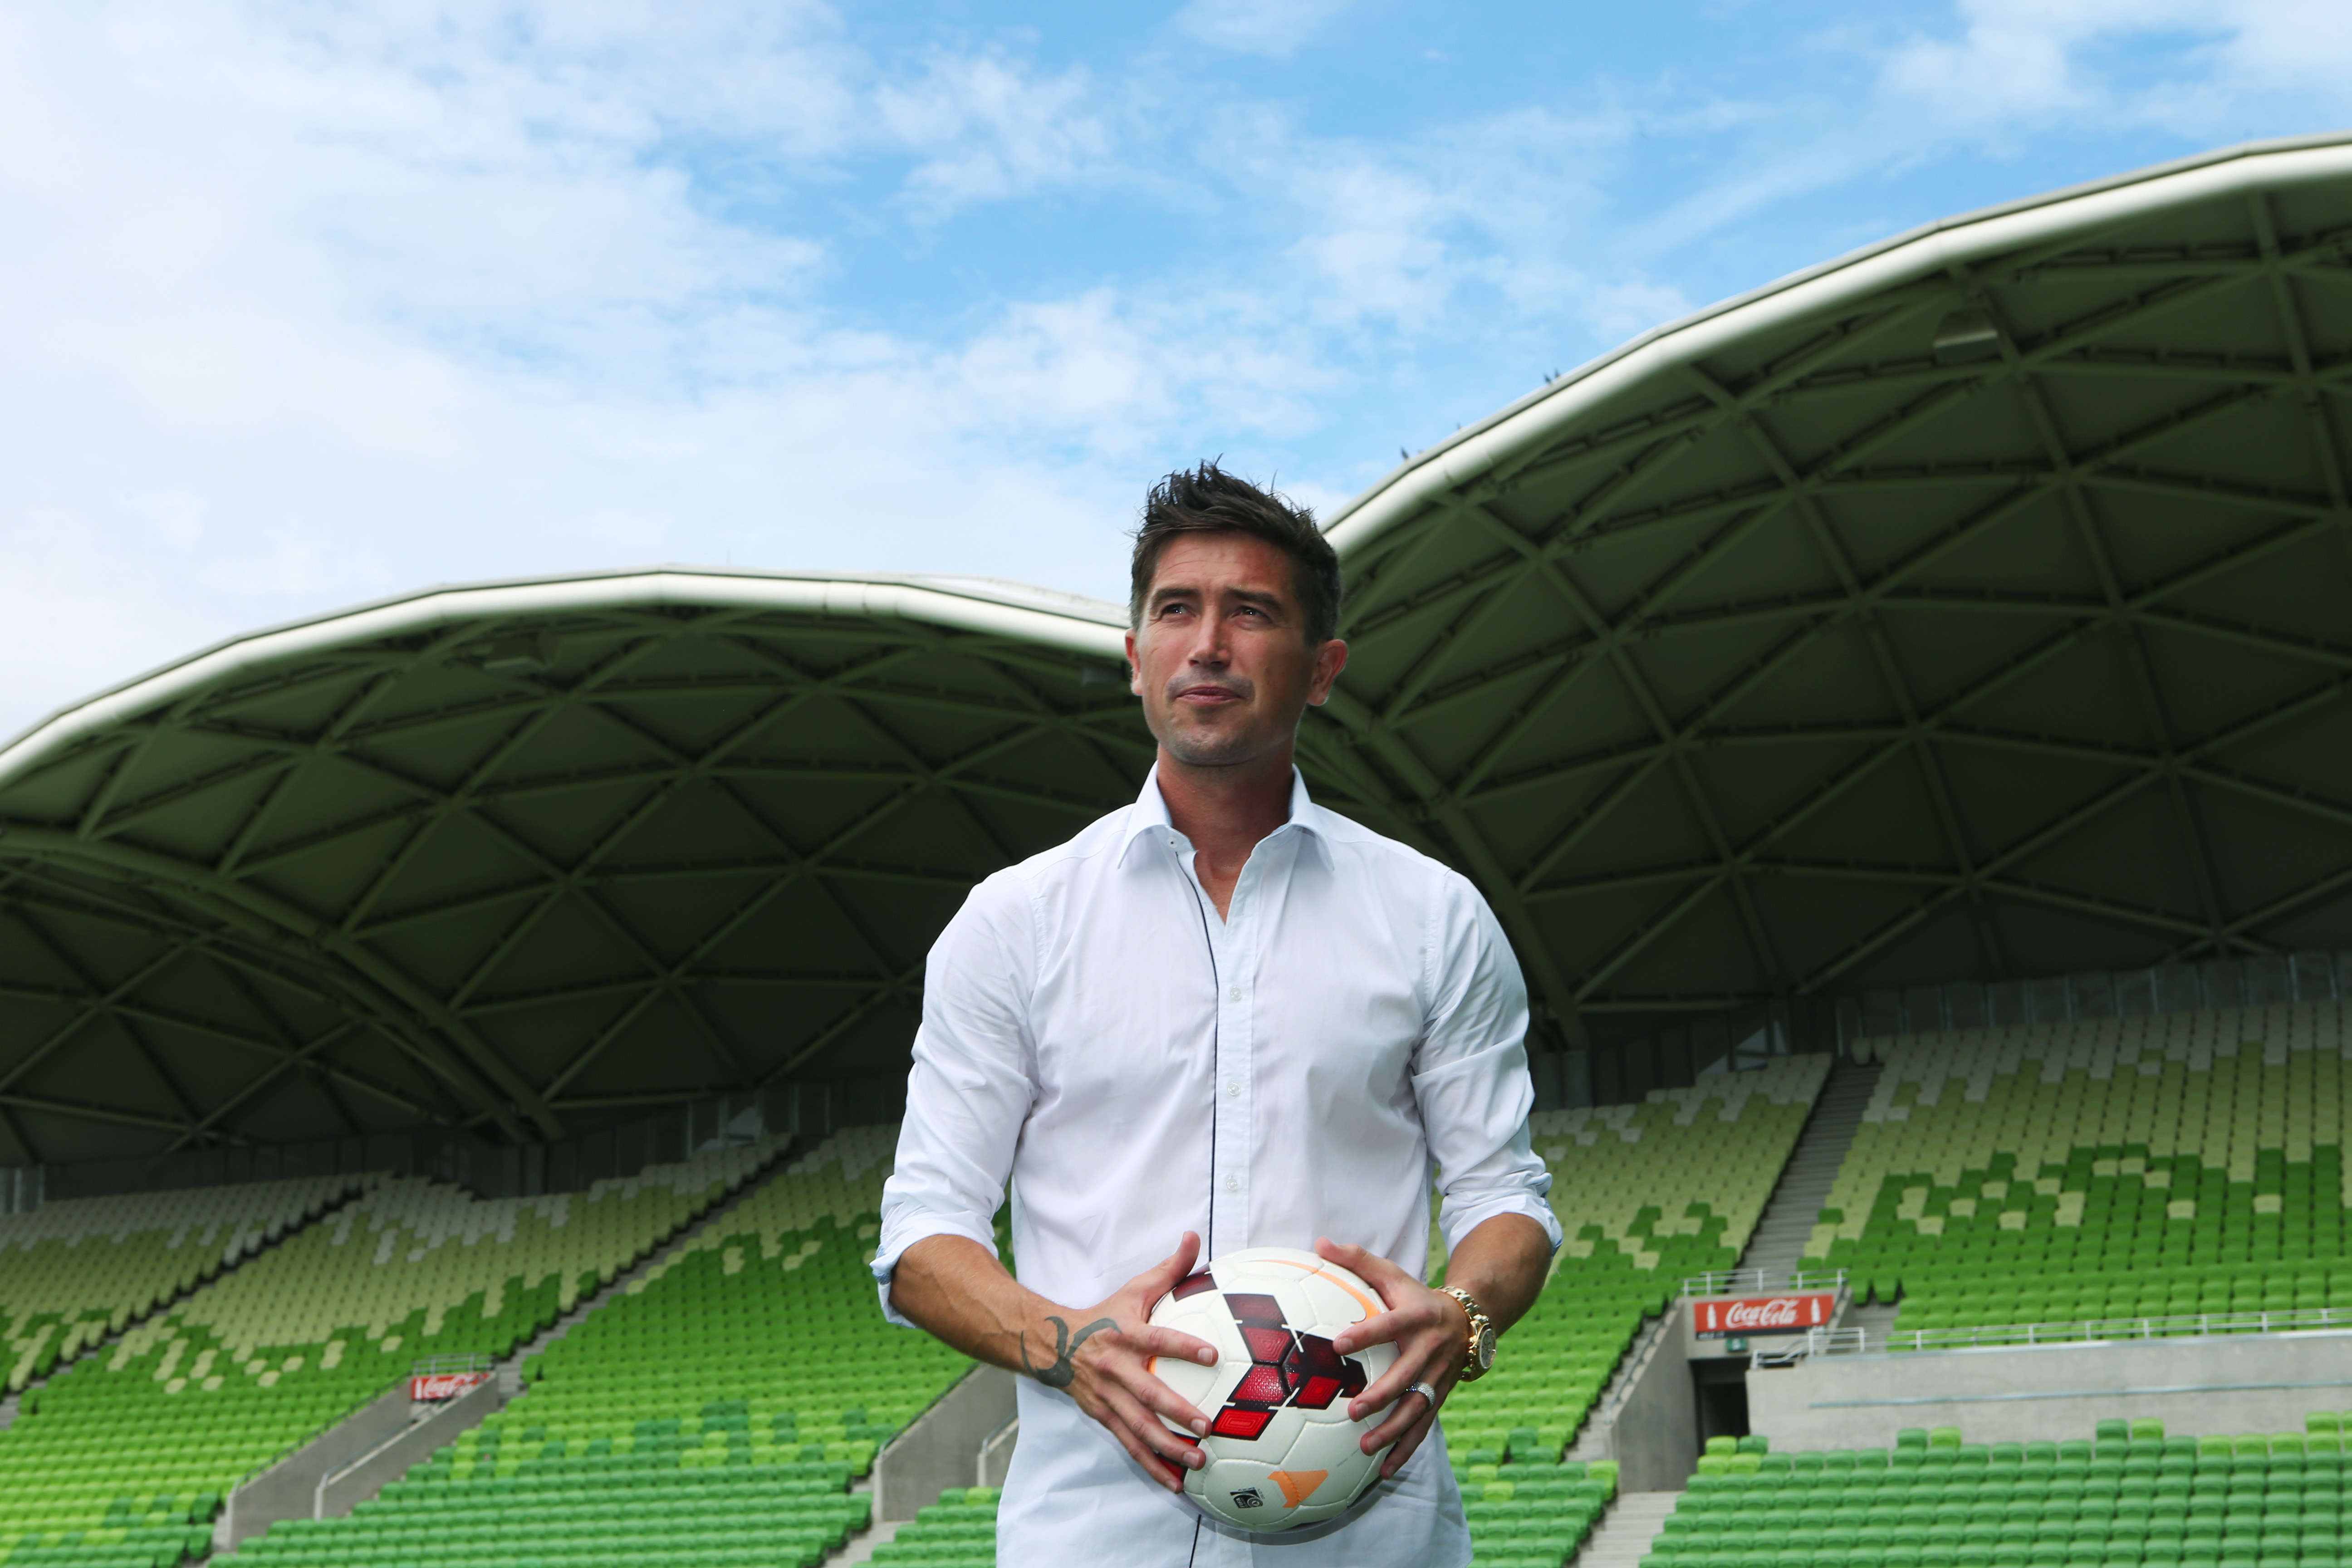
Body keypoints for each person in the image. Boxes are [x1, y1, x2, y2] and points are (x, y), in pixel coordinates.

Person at [872, 463, 1562, 1566]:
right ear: (1135, 657)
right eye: (1176, 609)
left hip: (1372, 1542)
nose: (1208, 643)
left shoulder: (1434, 916)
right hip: (1093, 1538)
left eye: (1252, 612)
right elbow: (920, 1238)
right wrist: (1068, 1347)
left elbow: (1507, 1201)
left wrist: (1464, 1315)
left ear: (1322, 669)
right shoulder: (1013, 922)